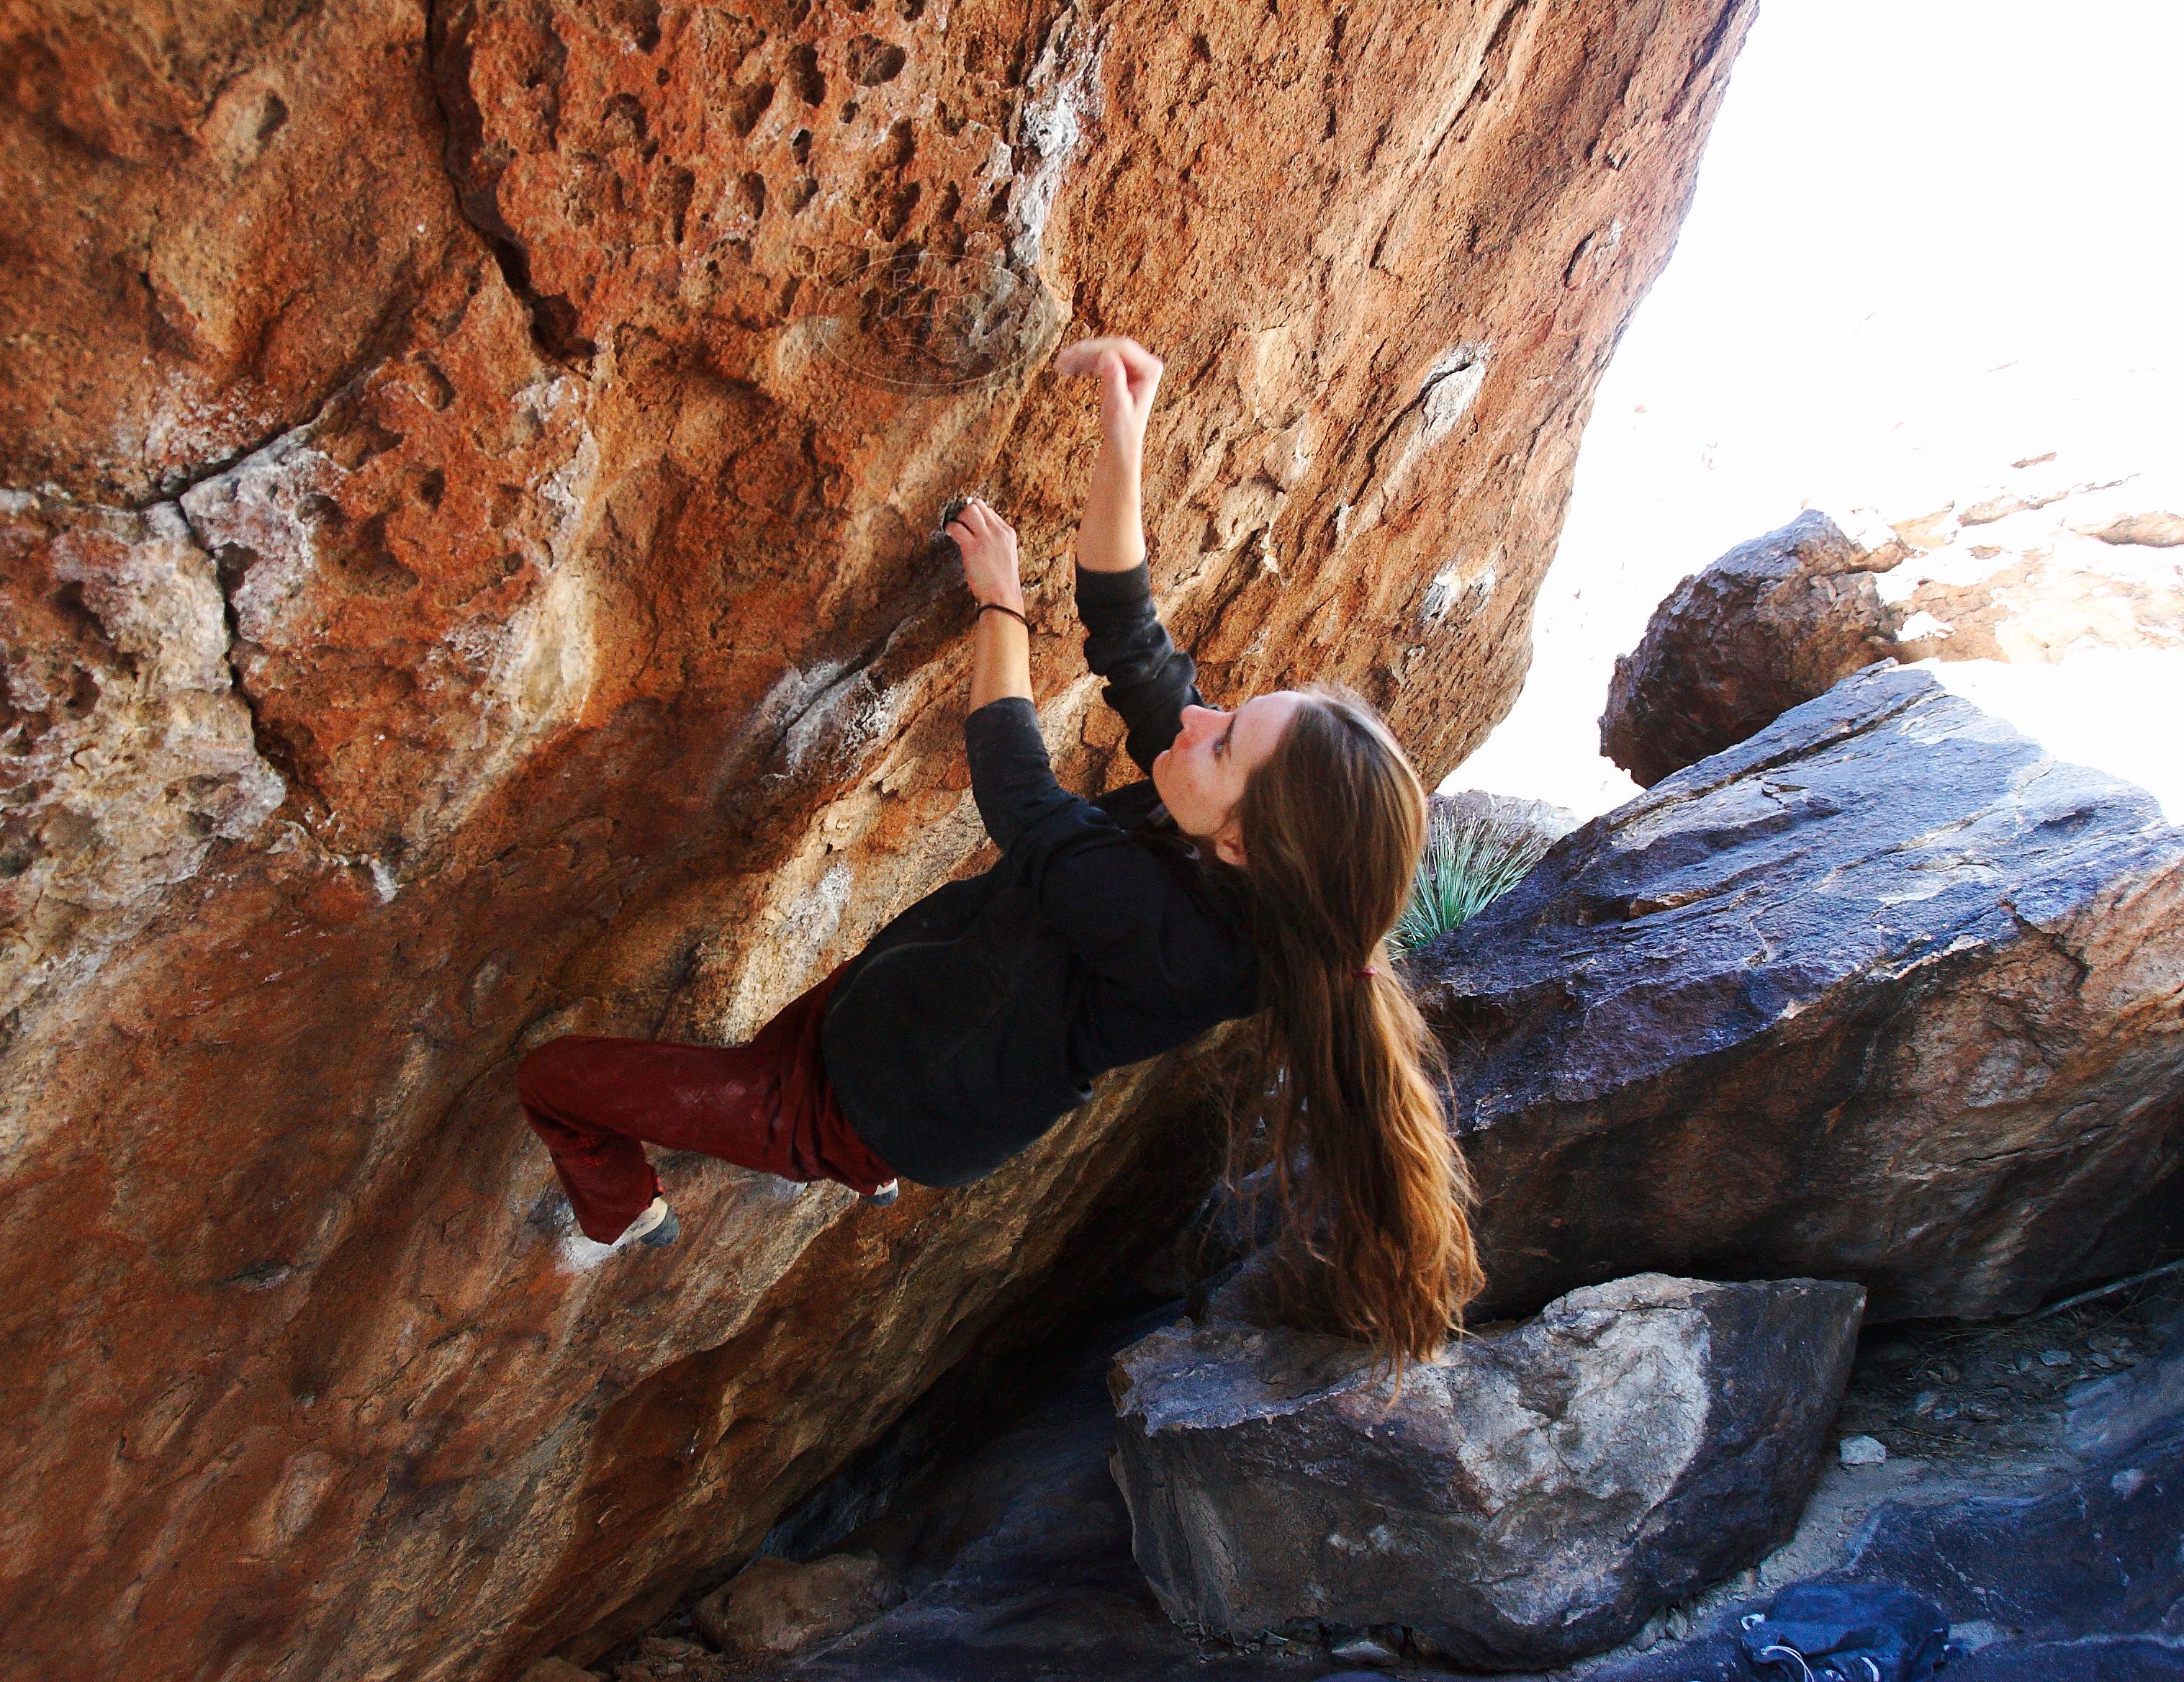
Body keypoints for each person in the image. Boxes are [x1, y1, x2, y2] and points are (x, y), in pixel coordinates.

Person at [518, 337, 1483, 1364]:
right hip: (906, 998)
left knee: (555, 1080)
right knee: (809, 1038)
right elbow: (1130, 637)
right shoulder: (1231, 827)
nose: (1202, 720)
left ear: (1247, 845)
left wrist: (1001, 602)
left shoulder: (1181, 950)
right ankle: (848, 1154)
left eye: (1228, 738)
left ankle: (625, 1214)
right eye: (1234, 709)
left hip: (871, 1101)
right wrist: (1125, 429)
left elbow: (1020, 790)